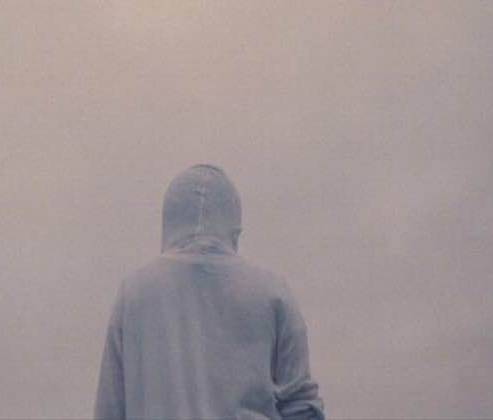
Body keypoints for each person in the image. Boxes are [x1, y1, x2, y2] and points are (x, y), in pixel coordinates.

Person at [94, 164, 324, 420]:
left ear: (169, 222)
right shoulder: (272, 292)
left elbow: (110, 409)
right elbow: (302, 408)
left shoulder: (135, 293)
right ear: (234, 229)